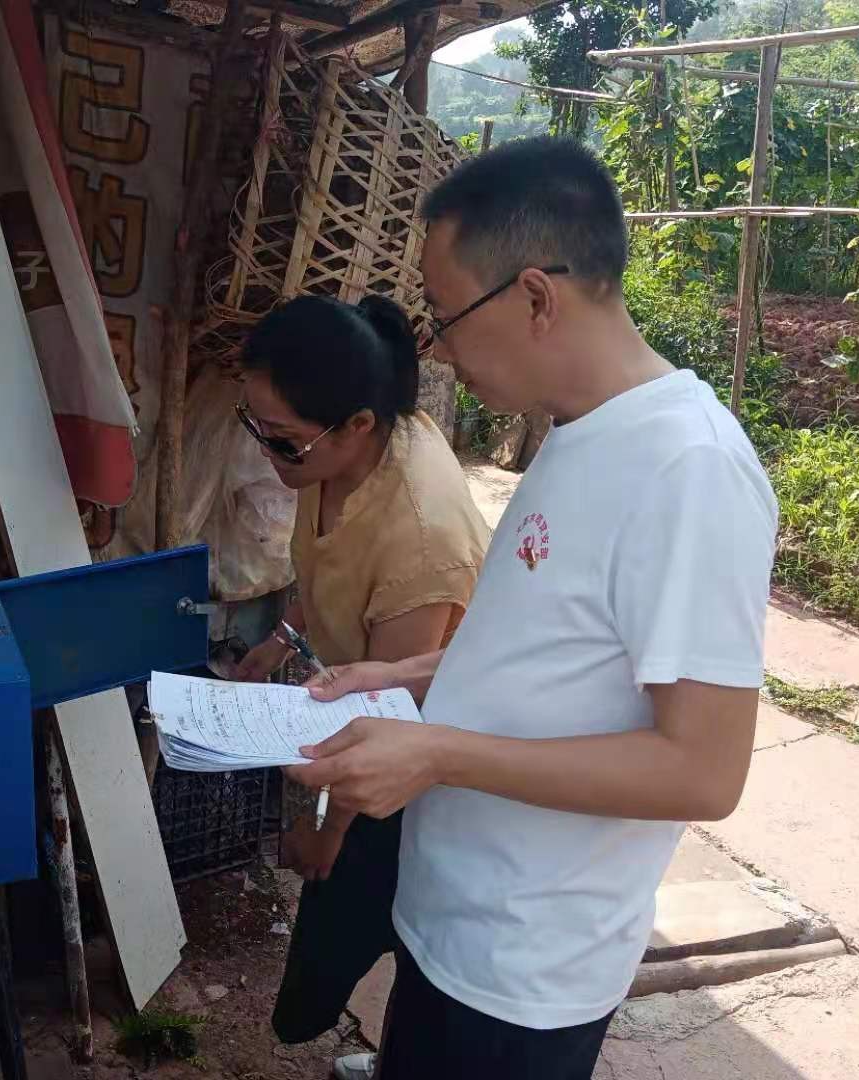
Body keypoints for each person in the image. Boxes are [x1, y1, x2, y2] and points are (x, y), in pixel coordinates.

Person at [288, 136, 778, 1080]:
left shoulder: (690, 471)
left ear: (536, 298)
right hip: (454, 917)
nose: (437, 348)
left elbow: (703, 770)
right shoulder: (581, 430)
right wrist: (405, 675)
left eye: (444, 316)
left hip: (527, 966)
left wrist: (437, 753)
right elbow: (555, 649)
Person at [230, 292, 489, 1080]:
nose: (266, 452)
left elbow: (387, 717)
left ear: (357, 425)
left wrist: (323, 830)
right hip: (373, 713)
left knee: (369, 910)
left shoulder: (421, 537)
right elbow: (325, 561)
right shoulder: (333, 454)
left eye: (280, 438)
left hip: (423, 759)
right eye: (254, 427)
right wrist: (278, 642)